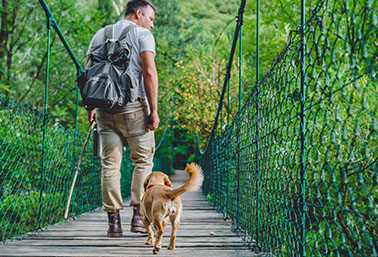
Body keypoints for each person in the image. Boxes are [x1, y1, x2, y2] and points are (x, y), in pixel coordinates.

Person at [85, 0, 159, 237]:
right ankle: (138, 216)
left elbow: (88, 72)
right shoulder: (142, 35)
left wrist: (91, 106)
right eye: (151, 19)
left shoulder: (100, 34)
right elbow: (149, 72)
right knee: (143, 161)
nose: (152, 25)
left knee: (110, 165)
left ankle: (113, 223)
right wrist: (154, 110)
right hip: (134, 108)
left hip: (105, 110)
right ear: (139, 14)